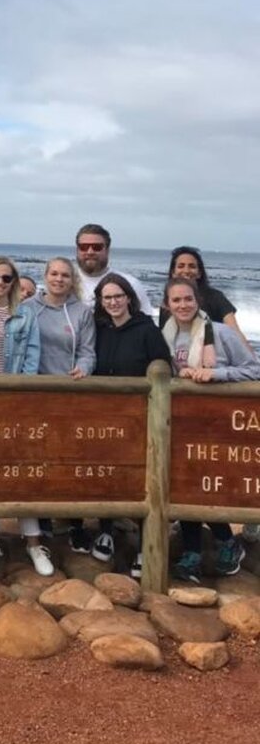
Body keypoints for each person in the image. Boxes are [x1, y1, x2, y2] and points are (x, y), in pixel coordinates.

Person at [163, 276, 259, 583]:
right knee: (181, 485)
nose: (182, 305)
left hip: (217, 425)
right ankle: (192, 552)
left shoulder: (218, 333)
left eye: (187, 299)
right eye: (176, 300)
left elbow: (253, 369)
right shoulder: (164, 337)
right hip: (180, 422)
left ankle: (227, 541)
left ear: (197, 301)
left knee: (203, 486)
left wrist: (215, 373)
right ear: (167, 305)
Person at [0, 256, 51, 576]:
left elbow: (32, 357)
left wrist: (20, 394)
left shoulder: (25, 314)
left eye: (6, 278)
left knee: (21, 470)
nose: (0, 283)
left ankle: (33, 543)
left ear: (14, 282)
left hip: (14, 399)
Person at [92, 273, 171, 577]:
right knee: (107, 473)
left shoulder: (147, 331)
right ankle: (106, 530)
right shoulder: (99, 330)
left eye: (118, 296)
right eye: (107, 297)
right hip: (104, 416)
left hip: (141, 417)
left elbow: (163, 368)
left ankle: (143, 546)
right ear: (101, 301)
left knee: (142, 477)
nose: (113, 302)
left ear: (129, 298)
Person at [30, 257, 96, 554]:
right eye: (54, 274)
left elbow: (88, 351)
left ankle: (75, 524)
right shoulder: (29, 307)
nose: (59, 279)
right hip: (35, 396)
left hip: (70, 395)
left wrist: (83, 369)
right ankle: (41, 521)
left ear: (72, 280)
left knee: (71, 460)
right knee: (39, 458)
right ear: (45, 276)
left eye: (65, 275)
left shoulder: (82, 312)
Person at [158, 246, 252, 349]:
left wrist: (252, 359)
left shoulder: (215, 297)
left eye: (192, 266)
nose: (186, 270)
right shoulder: (168, 302)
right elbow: (163, 337)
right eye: (181, 266)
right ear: (173, 273)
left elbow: (234, 332)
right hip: (178, 356)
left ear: (199, 273)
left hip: (214, 354)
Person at [74, 224, 153, 315]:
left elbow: (145, 322)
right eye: (84, 247)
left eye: (97, 247)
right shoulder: (65, 284)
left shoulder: (130, 284)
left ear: (107, 250)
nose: (90, 252)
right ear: (77, 250)